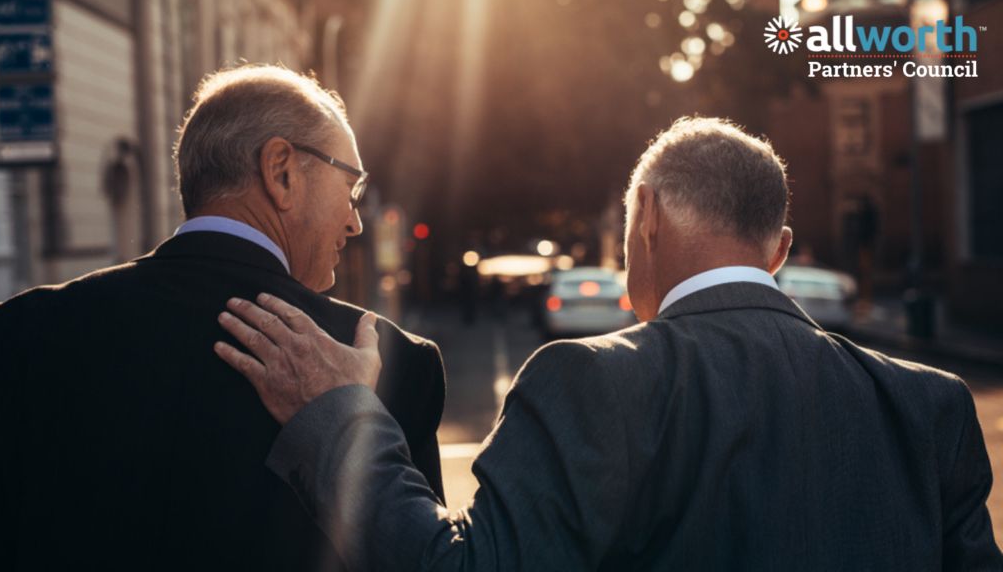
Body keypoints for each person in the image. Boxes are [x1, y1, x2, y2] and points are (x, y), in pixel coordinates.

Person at [215, 117, 1001, 571]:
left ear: (647, 217)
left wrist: (342, 416)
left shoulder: (589, 381)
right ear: (781, 248)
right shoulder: (929, 405)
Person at [0, 66, 446, 571]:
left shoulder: (11, 335)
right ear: (281, 171)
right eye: (351, 188)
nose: (355, 221)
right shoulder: (387, 361)